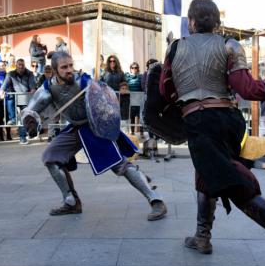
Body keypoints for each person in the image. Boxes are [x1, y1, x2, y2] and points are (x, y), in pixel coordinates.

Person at [160, 0, 265, 266]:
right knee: (207, 175)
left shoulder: (175, 48)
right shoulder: (229, 45)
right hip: (228, 122)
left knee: (233, 184)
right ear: (217, 22)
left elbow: (164, 90)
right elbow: (246, 88)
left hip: (197, 121)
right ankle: (202, 237)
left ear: (191, 22)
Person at [20, 51, 167, 220]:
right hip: (74, 128)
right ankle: (71, 201)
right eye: (64, 67)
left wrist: (97, 91)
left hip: (94, 127)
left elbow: (103, 99)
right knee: (50, 157)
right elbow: (32, 109)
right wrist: (30, 121)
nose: (69, 70)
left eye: (70, 65)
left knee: (120, 165)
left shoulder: (83, 81)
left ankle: (155, 200)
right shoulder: (48, 87)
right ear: (54, 70)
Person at [0, 58, 37, 145]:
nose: (21, 67)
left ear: (24, 66)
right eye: (19, 65)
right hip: (14, 97)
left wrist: (32, 90)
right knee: (10, 100)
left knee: (23, 118)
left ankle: (22, 137)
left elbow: (32, 86)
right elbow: (4, 85)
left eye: (22, 65)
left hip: (25, 97)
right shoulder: (10, 74)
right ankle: (12, 118)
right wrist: (1, 91)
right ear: (16, 65)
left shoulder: (29, 73)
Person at [125, 62, 143, 135]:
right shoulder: (127, 77)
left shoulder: (140, 77)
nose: (134, 69)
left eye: (136, 68)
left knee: (140, 116)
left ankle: (141, 133)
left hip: (139, 99)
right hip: (130, 99)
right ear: (130, 69)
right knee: (131, 116)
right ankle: (132, 132)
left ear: (138, 69)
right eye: (132, 68)